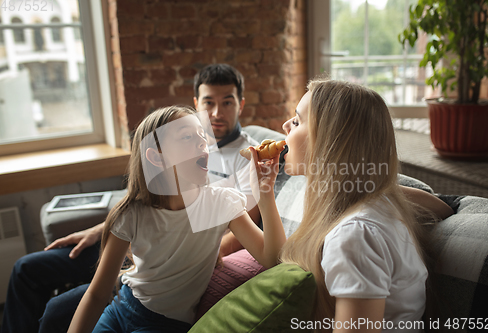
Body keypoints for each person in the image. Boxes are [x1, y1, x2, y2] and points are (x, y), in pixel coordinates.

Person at [0, 63, 260, 333]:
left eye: (227, 103)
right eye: (209, 103)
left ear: (240, 104)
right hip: (141, 236)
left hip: (176, 253)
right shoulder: (184, 138)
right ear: (197, 104)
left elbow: (242, 229)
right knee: (26, 268)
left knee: (56, 311)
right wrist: (102, 229)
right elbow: (148, 199)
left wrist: (200, 253)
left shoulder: (246, 155)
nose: (217, 113)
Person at [67, 105, 285, 332]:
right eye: (187, 137)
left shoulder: (221, 203)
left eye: (202, 135)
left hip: (165, 325)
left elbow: (274, 260)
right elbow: (97, 293)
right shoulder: (131, 213)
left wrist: (265, 194)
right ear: (157, 157)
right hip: (121, 307)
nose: (202, 142)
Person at [265, 79, 439, 332]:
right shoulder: (377, 201)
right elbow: (443, 207)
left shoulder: (354, 236)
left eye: (297, 121)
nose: (284, 126)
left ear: (328, 140)